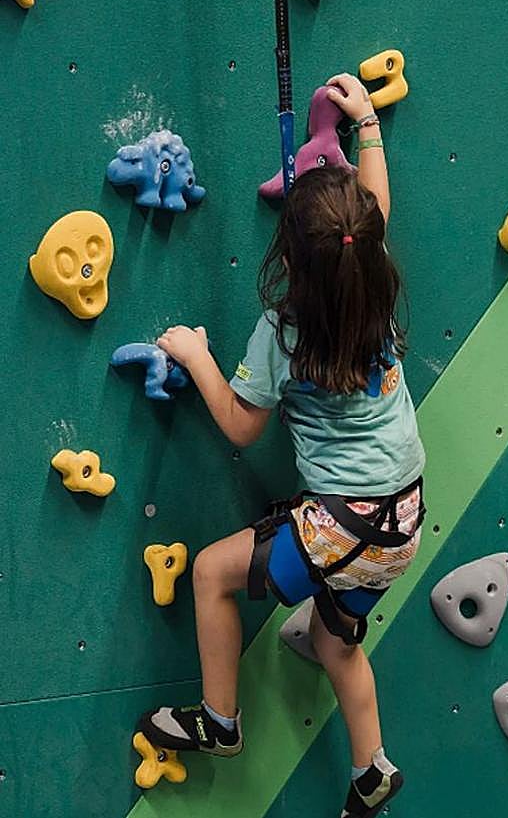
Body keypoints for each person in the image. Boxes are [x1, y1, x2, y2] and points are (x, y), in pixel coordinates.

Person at [138, 72, 426, 818]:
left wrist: (195, 354)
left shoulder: (284, 332)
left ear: (291, 264)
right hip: (401, 523)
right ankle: (371, 771)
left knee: (209, 573)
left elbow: (241, 424)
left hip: (344, 525)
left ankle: (220, 719)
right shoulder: (376, 286)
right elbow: (375, 213)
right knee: (337, 646)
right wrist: (366, 127)